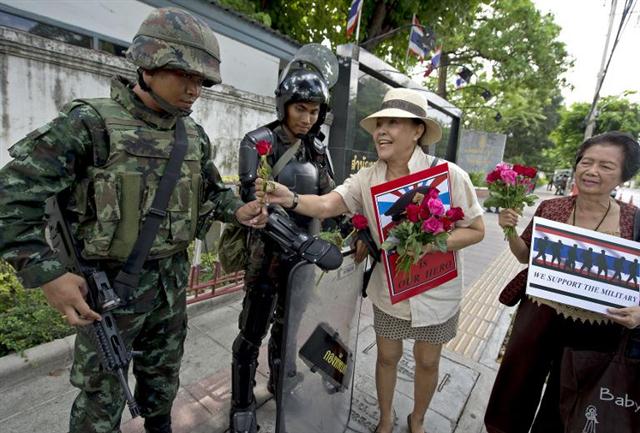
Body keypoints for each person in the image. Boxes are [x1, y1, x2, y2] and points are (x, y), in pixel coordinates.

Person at [0, 8, 268, 433]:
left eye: (202, 80)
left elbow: (210, 190)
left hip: (171, 286)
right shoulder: (89, 124)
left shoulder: (191, 135)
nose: (195, 89)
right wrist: (47, 273)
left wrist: (237, 208)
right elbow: (11, 196)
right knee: (100, 401)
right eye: (185, 75)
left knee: (162, 386)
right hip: (108, 290)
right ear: (148, 63)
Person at [257, 88, 485, 433]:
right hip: (389, 291)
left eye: (392, 122)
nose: (381, 131)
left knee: (427, 361)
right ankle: (384, 419)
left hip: (438, 291)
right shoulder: (367, 179)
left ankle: (418, 420)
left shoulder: (449, 175)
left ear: (417, 130)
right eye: (379, 123)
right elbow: (326, 205)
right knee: (387, 357)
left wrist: (432, 243)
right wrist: (287, 197)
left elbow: (477, 230)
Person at [485, 131, 640, 433]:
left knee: (569, 399)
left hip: (597, 329)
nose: (592, 171)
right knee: (515, 387)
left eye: (606, 166)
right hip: (539, 314)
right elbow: (525, 257)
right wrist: (510, 231)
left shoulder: (634, 221)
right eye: (586, 161)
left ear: (623, 175)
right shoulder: (551, 208)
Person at [229, 44, 338, 433]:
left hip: (307, 257)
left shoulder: (318, 148)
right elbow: (252, 196)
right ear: (284, 105)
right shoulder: (258, 141)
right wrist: (297, 241)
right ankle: (241, 403)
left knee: (288, 327)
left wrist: (351, 229)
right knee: (252, 330)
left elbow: (330, 196)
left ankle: (280, 381)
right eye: (300, 109)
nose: (307, 118)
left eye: (314, 111)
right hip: (268, 254)